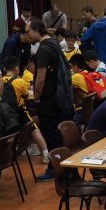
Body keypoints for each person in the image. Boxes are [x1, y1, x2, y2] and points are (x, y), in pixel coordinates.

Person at [26, 19, 72, 181]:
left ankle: (55, 169)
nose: (27, 35)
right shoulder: (54, 43)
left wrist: (36, 97)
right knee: (58, 135)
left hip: (49, 99)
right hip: (59, 97)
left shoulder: (43, 49)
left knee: (52, 135)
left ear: (37, 30)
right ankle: (64, 167)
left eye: (28, 31)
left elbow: (40, 78)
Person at [2, 56, 49, 163]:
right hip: (20, 111)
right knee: (34, 129)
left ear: (4, 69)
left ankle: (7, 157)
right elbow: (26, 96)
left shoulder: (0, 81)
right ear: (16, 68)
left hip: (6, 113)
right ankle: (45, 154)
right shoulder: (19, 81)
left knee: (9, 134)